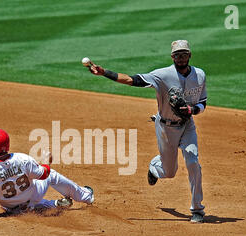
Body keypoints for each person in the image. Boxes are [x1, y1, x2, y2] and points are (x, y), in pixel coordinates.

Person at [87, 40, 207, 223]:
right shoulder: (162, 75)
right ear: (172, 57)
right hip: (166, 127)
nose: (181, 58)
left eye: (184, 54)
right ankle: (154, 167)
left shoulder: (199, 75)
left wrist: (193, 110)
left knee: (193, 161)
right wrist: (105, 73)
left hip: (187, 125)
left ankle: (197, 209)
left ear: (190, 55)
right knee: (169, 172)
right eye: (177, 55)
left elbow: (202, 103)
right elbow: (131, 80)